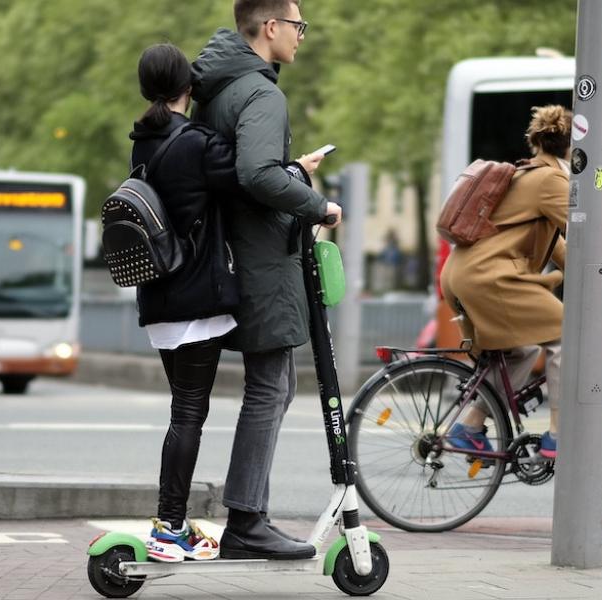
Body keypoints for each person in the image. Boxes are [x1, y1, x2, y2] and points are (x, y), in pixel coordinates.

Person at [190, 0, 342, 560]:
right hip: (260, 260)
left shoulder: (219, 88)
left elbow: (240, 171)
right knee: (270, 387)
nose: (302, 37)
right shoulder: (260, 92)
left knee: (277, 386)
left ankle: (249, 516)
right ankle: (247, 522)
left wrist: (294, 171)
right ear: (271, 26)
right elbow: (255, 173)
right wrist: (318, 203)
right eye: (298, 26)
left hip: (235, 252)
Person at [439, 104, 602, 459]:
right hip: (490, 278)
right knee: (566, 336)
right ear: (573, 148)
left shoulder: (527, 175)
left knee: (521, 351)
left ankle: (470, 426)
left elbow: (560, 247)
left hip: (462, 275)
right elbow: (586, 235)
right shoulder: (551, 181)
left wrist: (601, 274)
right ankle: (558, 436)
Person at [129, 43, 242, 563]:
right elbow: (248, 184)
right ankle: (168, 525)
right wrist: (299, 172)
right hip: (197, 301)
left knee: (184, 412)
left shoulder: (143, 143)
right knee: (188, 415)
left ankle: (170, 521)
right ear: (188, 89)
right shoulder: (197, 142)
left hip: (159, 297)